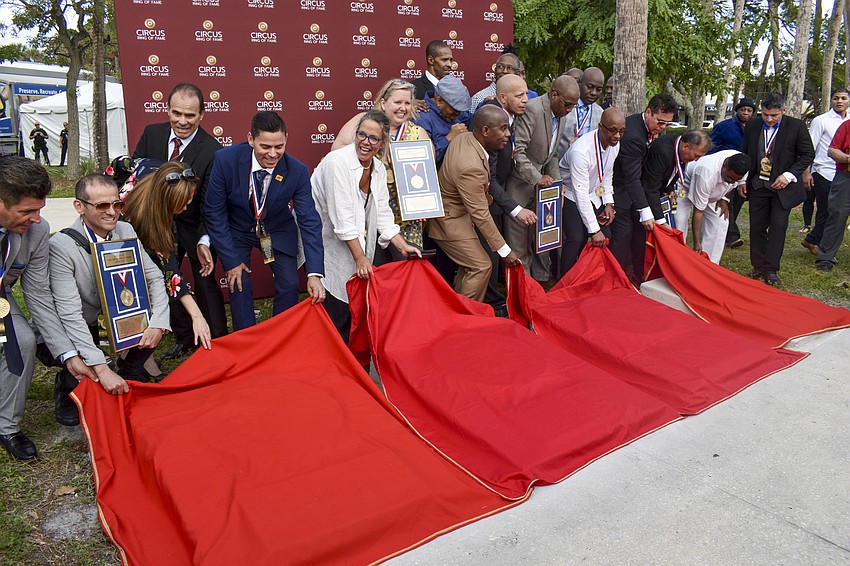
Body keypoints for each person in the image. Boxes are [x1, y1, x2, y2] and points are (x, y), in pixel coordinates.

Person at [48, 174, 172, 426]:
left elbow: (154, 277)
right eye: (102, 205)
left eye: (117, 204)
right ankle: (68, 384)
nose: (113, 212)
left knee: (153, 315)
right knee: (85, 360)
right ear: (79, 206)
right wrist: (100, 367)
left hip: (118, 315)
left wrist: (159, 323)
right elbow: (69, 314)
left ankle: (130, 370)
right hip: (81, 322)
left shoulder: (125, 230)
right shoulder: (61, 246)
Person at [205, 111, 325, 330]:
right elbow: (214, 212)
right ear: (251, 139)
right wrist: (231, 261)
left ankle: (280, 338)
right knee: (238, 282)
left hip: (275, 231)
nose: (272, 154)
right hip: (238, 230)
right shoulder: (225, 160)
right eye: (265, 147)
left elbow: (309, 220)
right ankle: (247, 340)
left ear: (286, 139)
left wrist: (314, 273)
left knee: (289, 284)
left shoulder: (297, 171)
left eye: (279, 146)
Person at [133, 82, 227, 359]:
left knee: (204, 281)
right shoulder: (152, 133)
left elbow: (211, 202)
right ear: (168, 110)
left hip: (193, 226)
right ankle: (184, 337)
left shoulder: (213, 149)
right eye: (177, 113)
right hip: (156, 225)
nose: (182, 121)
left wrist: (204, 240)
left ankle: (217, 340)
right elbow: (136, 175)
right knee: (164, 280)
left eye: (190, 115)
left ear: (202, 115)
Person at [311, 110, 421, 341]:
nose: (365, 142)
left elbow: (383, 214)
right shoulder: (336, 163)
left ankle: (353, 355)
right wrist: (360, 258)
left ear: (382, 143)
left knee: (354, 300)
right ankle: (333, 355)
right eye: (361, 135)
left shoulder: (378, 169)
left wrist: (402, 245)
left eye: (373, 138)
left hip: (350, 238)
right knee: (336, 301)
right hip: (323, 239)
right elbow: (342, 220)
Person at [0, 157, 79, 459]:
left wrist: (66, 354)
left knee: (22, 340)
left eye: (39, 209)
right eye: (26, 211)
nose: (36, 219)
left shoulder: (37, 231)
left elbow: (38, 295)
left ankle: (6, 426)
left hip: (1, 295)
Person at [428, 105, 522, 301]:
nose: (508, 134)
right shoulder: (470, 167)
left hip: (457, 215)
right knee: (481, 266)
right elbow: (481, 214)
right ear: (485, 131)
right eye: (503, 128)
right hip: (450, 221)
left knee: (469, 267)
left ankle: (459, 307)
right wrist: (505, 251)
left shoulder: (465, 138)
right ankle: (466, 315)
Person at [121, 161, 213, 351]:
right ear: (165, 202)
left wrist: (197, 316)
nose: (186, 208)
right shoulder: (144, 219)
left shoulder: (152, 167)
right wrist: (197, 316)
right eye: (182, 204)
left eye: (189, 200)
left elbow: (171, 273)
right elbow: (172, 275)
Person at [333, 80, 430, 253]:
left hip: (405, 220)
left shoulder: (418, 134)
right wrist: (365, 157)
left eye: (407, 103)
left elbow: (427, 178)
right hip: (366, 214)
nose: (403, 108)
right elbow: (336, 151)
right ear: (384, 103)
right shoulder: (365, 122)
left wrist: (423, 205)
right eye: (398, 102)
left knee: (407, 265)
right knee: (371, 266)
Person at [505, 75, 579, 282]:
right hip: (519, 188)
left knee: (536, 242)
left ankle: (536, 285)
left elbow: (551, 156)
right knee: (518, 247)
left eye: (573, 106)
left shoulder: (561, 114)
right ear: (554, 95)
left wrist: (557, 184)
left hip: (540, 191)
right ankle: (522, 291)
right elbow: (518, 153)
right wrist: (537, 178)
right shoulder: (533, 109)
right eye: (567, 104)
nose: (569, 110)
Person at [740, 92, 814, 285]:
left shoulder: (796, 126)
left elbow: (808, 154)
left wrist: (789, 175)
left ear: (784, 110)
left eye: (774, 115)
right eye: (765, 115)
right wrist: (742, 180)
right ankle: (758, 265)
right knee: (757, 226)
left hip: (782, 188)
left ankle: (771, 268)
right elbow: (745, 153)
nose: (769, 119)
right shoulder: (753, 126)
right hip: (758, 185)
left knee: (778, 227)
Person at [609, 93, 677, 283]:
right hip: (619, 189)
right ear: (648, 112)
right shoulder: (633, 136)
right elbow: (631, 178)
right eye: (660, 122)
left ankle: (637, 273)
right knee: (623, 234)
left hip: (635, 189)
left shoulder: (648, 129)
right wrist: (645, 211)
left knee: (638, 233)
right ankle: (617, 277)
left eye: (667, 124)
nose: (662, 128)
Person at [558, 107, 625, 275]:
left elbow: (607, 173)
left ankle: (586, 273)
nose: (617, 136)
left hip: (593, 194)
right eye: (613, 130)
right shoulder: (580, 151)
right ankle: (564, 276)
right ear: (600, 126)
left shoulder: (614, 144)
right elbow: (580, 193)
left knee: (607, 235)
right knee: (576, 238)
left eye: (622, 131)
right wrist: (594, 230)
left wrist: (608, 202)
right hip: (571, 193)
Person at [675, 151, 750, 264]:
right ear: (725, 165)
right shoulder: (706, 175)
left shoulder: (742, 164)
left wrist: (724, 198)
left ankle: (710, 263)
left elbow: (732, 183)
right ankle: (678, 259)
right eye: (729, 178)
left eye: (735, 180)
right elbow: (699, 212)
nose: (731, 182)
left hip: (713, 187)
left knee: (721, 220)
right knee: (679, 220)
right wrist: (697, 242)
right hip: (686, 183)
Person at [801, 89, 850, 254]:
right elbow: (810, 147)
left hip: (843, 172)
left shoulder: (848, 122)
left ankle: (814, 240)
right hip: (823, 170)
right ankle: (814, 240)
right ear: (831, 100)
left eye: (843, 98)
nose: (839, 101)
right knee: (827, 209)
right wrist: (806, 172)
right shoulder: (821, 120)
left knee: (835, 211)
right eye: (836, 98)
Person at [642, 129, 713, 223]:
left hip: (655, 192)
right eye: (696, 155)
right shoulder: (663, 152)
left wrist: (669, 188)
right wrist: (661, 220)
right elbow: (651, 187)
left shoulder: (678, 145)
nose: (696, 160)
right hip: (640, 198)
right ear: (686, 147)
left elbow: (672, 170)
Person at [713, 97, 756, 249]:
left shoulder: (755, 128)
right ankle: (732, 235)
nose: (746, 113)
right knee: (726, 199)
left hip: (746, 171)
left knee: (737, 201)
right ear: (737, 110)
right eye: (743, 110)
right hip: (727, 169)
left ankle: (726, 229)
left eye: (749, 110)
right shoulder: (724, 126)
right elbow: (713, 146)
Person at [815, 119, 850, 272]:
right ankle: (825, 257)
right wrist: (848, 159)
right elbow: (832, 150)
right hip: (846, 177)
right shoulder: (847, 126)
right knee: (837, 215)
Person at [413, 75, 470, 169]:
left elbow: (478, 120)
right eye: (454, 110)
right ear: (439, 101)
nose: (457, 114)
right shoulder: (422, 117)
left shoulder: (459, 113)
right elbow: (424, 159)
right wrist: (449, 138)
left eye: (460, 110)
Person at [557, 67, 605, 159]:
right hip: (558, 161)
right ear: (580, 84)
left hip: (584, 163)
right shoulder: (564, 104)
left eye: (598, 89)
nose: (594, 93)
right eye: (590, 87)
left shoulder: (600, 113)